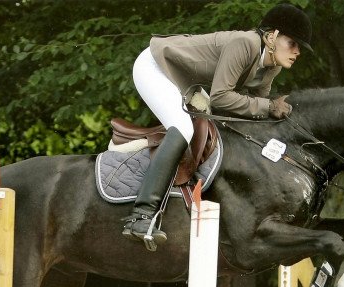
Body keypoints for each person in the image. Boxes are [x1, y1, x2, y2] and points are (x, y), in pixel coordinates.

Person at [122, 3, 313, 250]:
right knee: (183, 127)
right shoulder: (245, 44)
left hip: (185, 81)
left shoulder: (272, 65)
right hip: (156, 67)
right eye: (293, 43)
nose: (297, 51)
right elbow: (222, 98)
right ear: (272, 36)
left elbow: (251, 111)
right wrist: (268, 107)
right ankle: (142, 215)